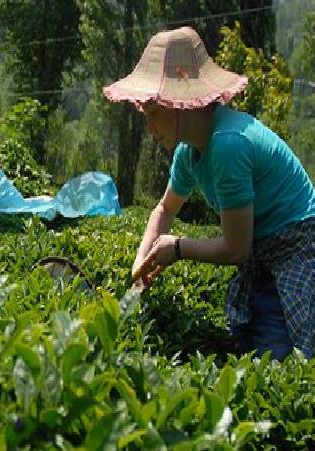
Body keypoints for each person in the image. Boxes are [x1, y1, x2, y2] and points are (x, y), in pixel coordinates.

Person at [105, 27, 315, 360]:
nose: (150, 129)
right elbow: (164, 209)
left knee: (278, 359)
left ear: (179, 104)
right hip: (262, 250)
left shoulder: (228, 145)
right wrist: (139, 265)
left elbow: (235, 249)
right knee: (248, 342)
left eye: (154, 113)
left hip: (295, 246)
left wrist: (177, 248)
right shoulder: (188, 154)